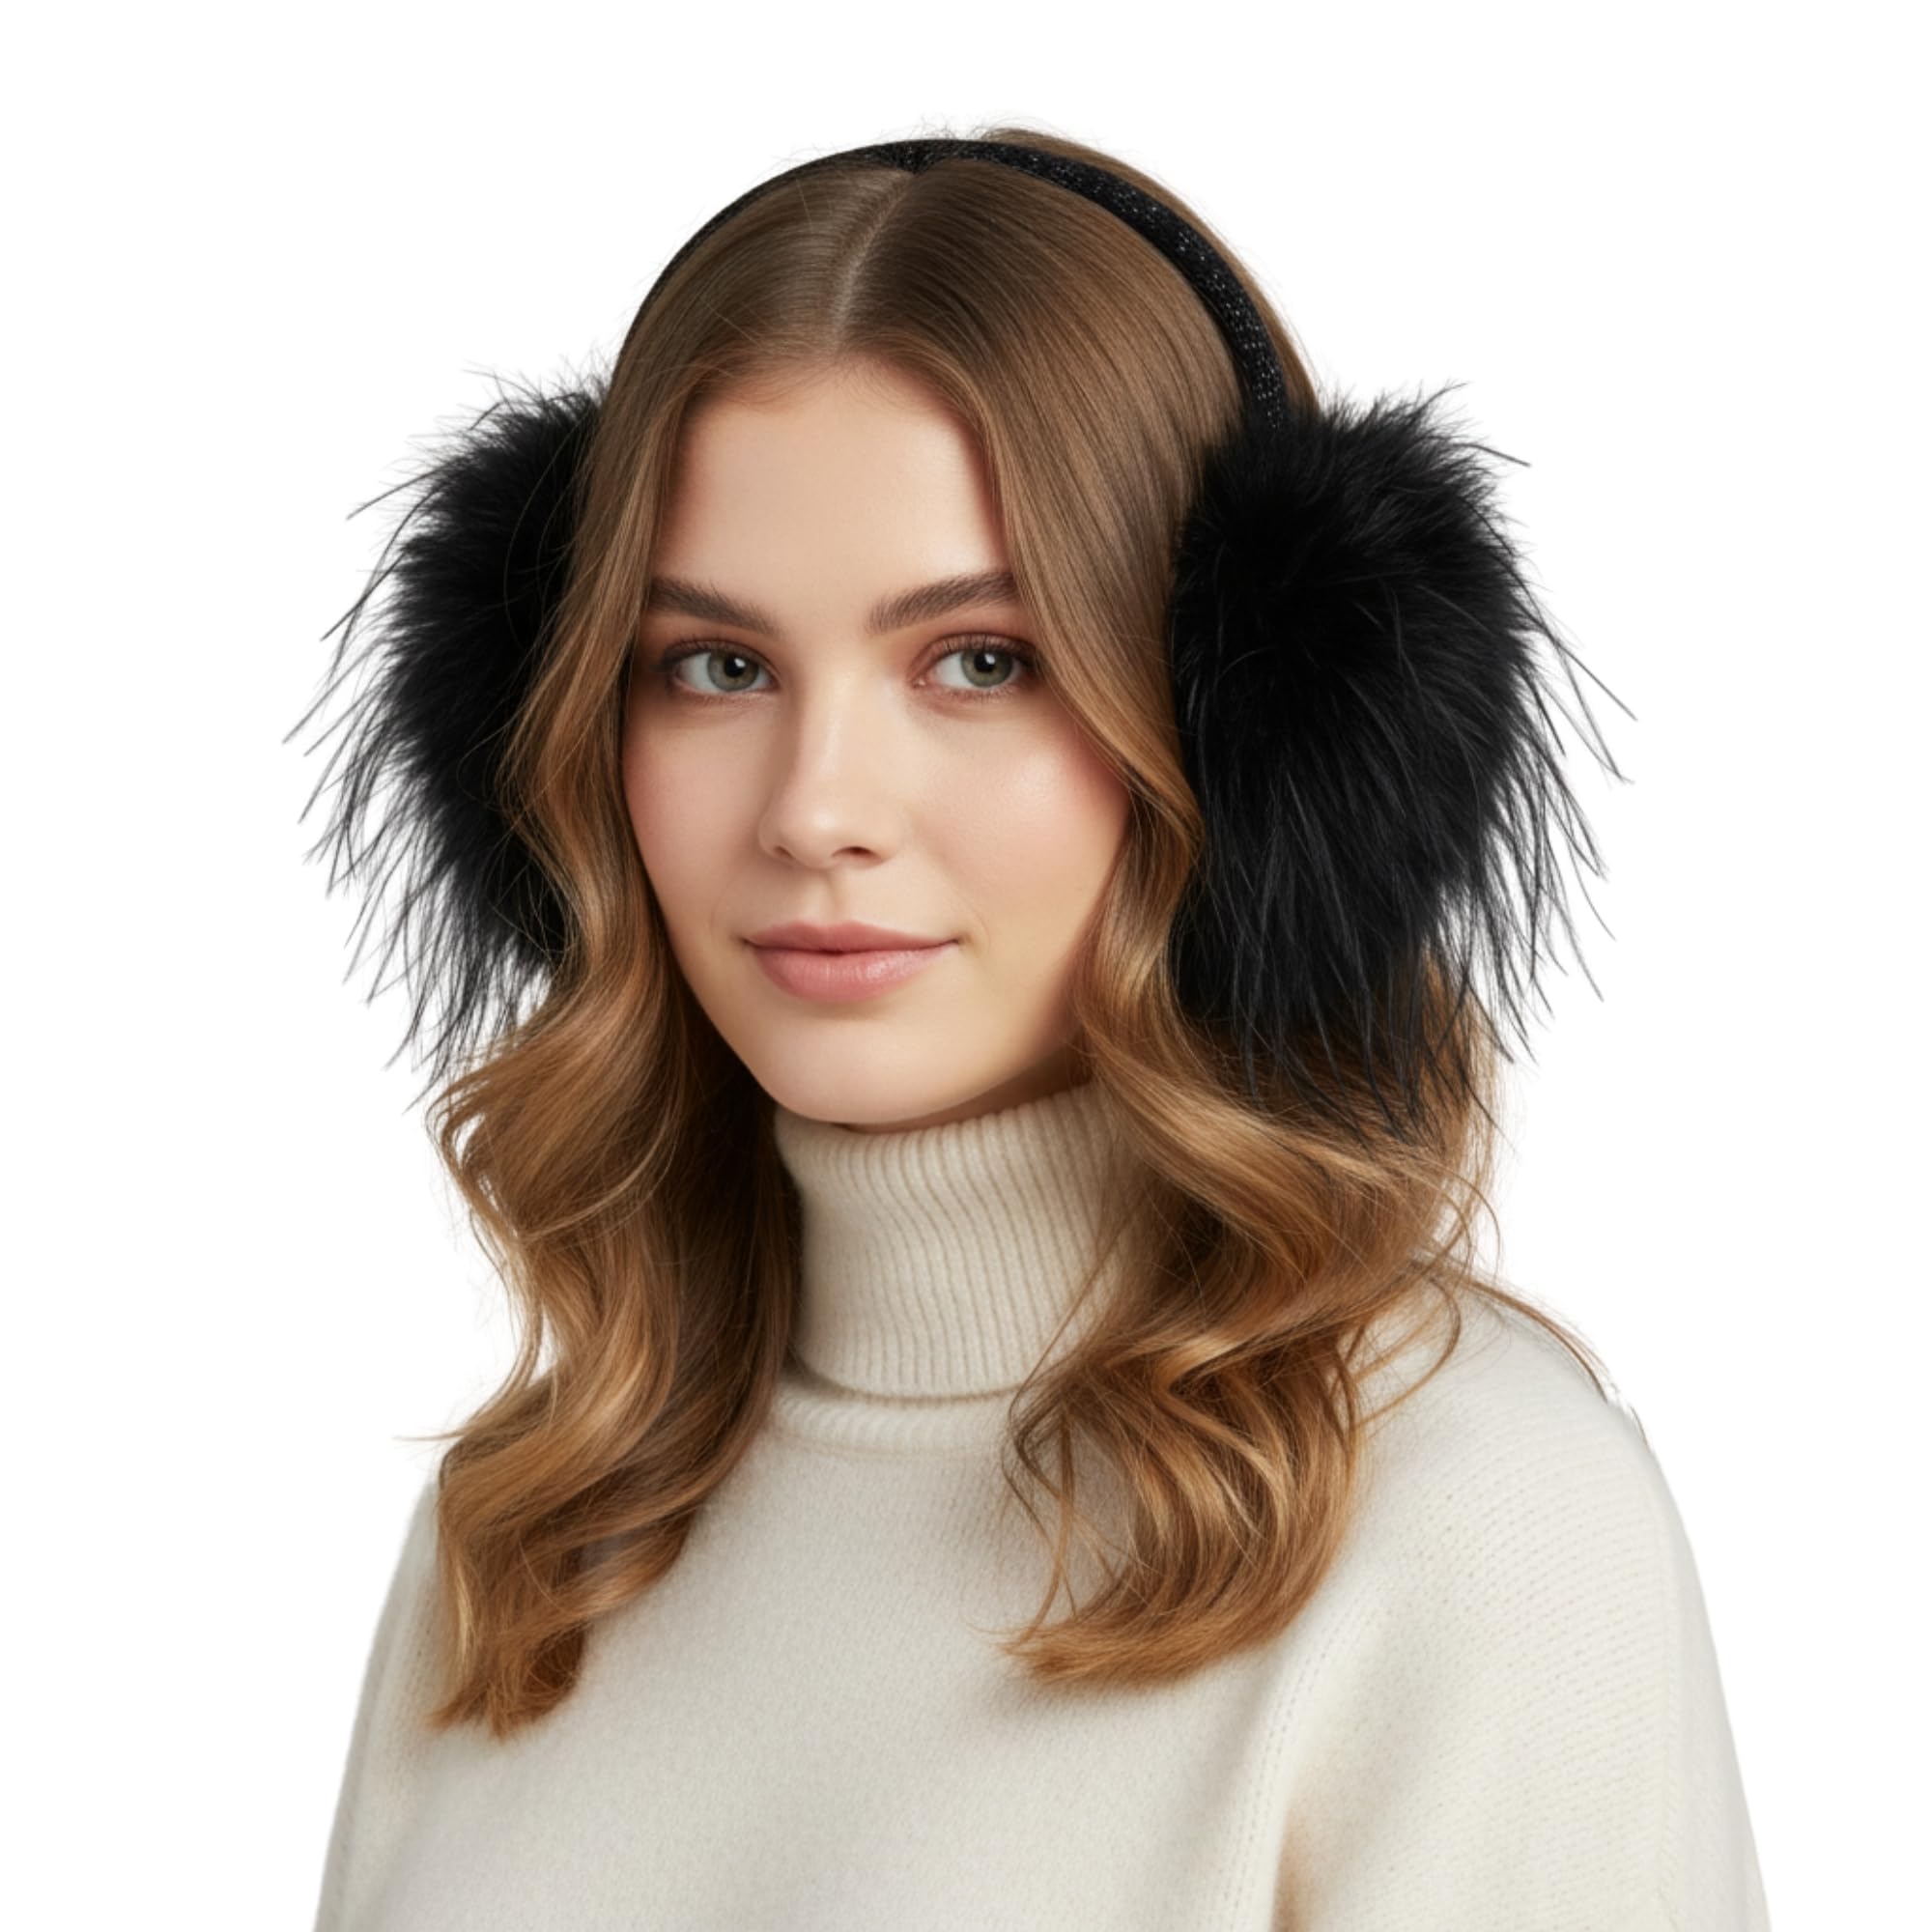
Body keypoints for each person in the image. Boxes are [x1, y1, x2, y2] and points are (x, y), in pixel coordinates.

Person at [296, 124, 1770, 1929]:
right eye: (717, 666)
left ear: (1248, 735)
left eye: (980, 661)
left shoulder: (1478, 1531)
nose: (817, 808)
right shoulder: (532, 1535)